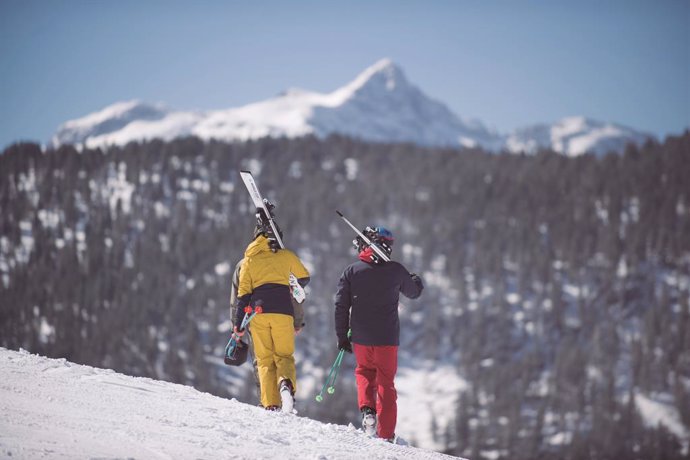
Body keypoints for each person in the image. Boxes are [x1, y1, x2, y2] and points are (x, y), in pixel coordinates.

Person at [334, 226, 423, 442]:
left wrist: (342, 337)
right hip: (387, 338)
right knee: (385, 383)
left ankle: (368, 412)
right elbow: (414, 292)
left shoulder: (352, 271)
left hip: (361, 337)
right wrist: (415, 279)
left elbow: (340, 306)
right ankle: (385, 435)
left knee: (364, 372)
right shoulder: (395, 270)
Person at [234, 224, 310, 412]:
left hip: (258, 313)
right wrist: (290, 282)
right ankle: (285, 384)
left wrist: (238, 324)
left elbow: (243, 295)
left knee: (264, 360)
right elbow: (304, 277)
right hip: (283, 312)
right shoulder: (286, 256)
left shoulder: (249, 261)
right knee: (284, 356)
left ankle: (271, 404)